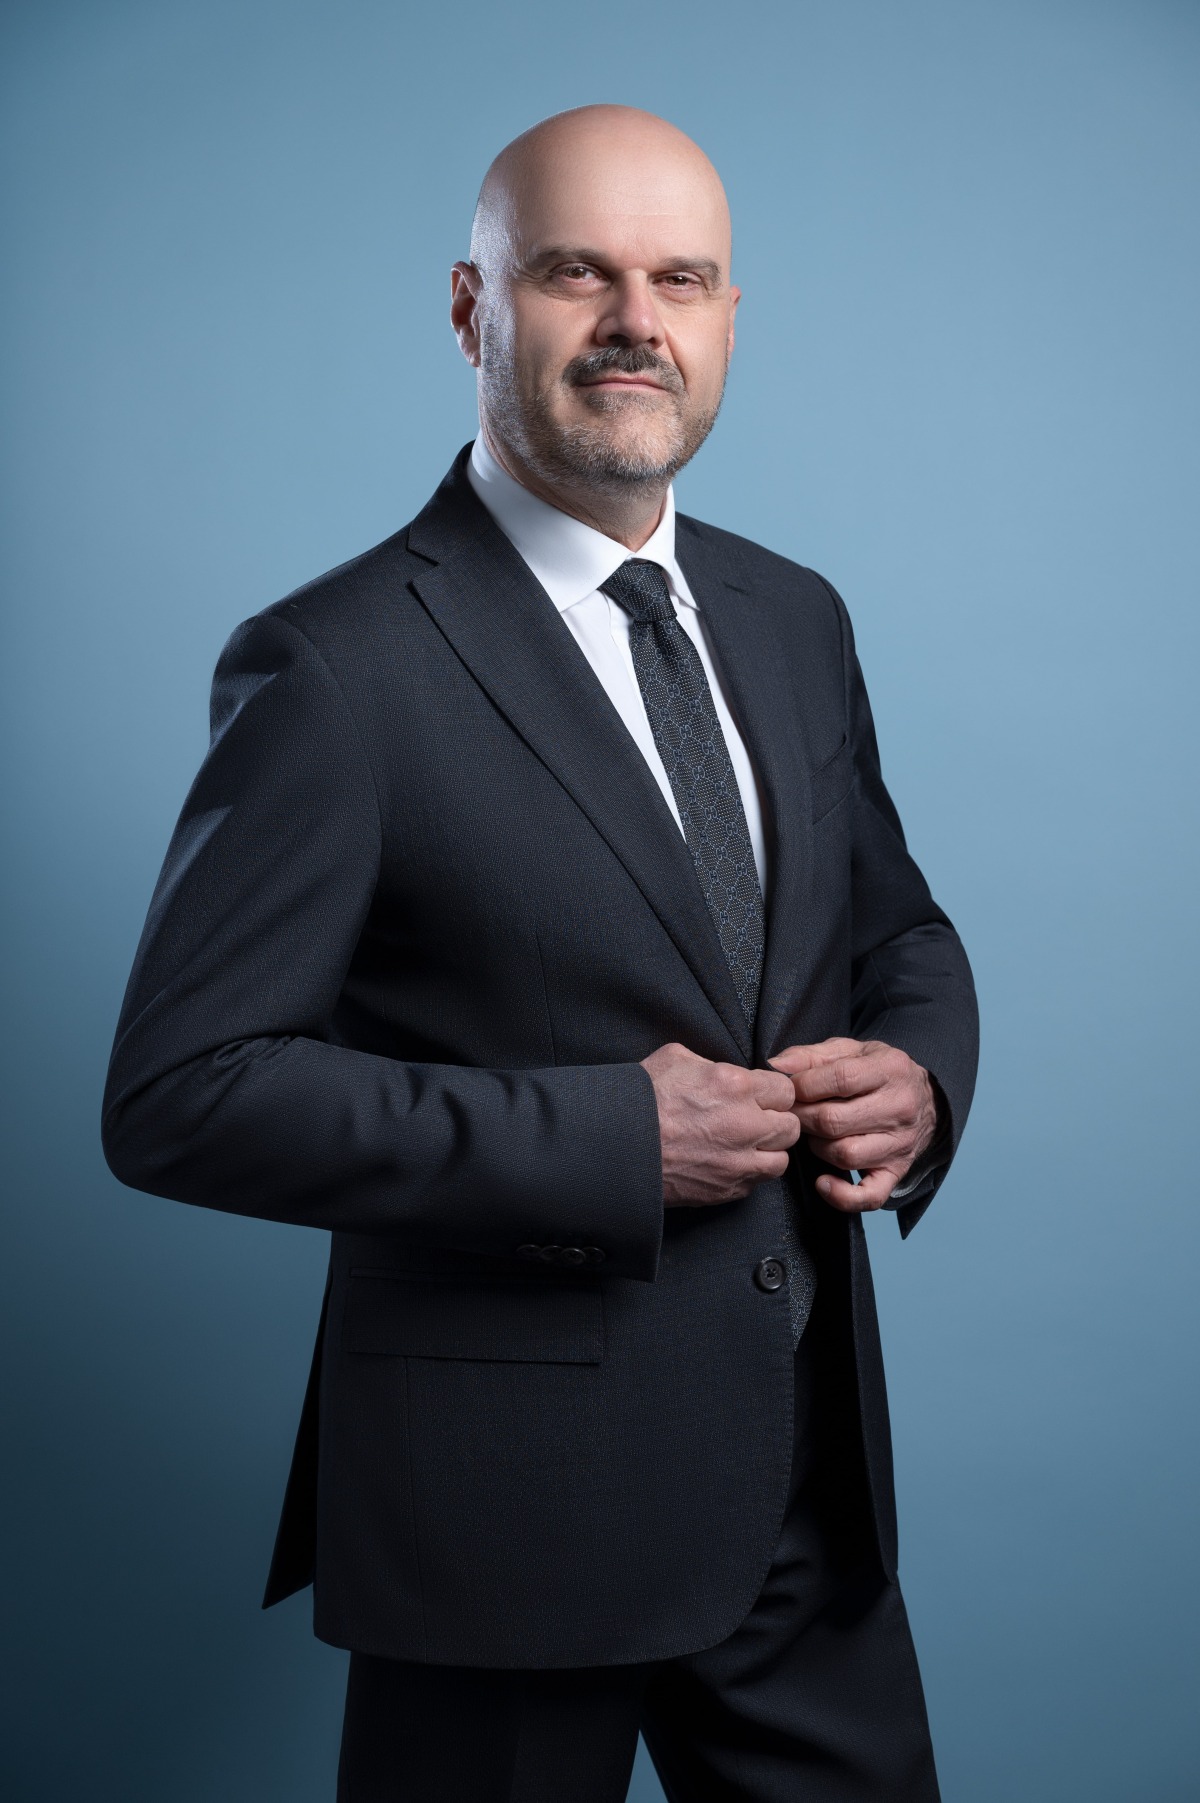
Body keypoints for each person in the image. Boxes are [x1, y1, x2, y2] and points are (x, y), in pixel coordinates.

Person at [101, 104, 978, 1802]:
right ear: (471, 308)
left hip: (804, 1497)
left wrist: (923, 1079)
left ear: (729, 319)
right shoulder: (336, 666)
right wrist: (608, 1138)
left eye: (683, 280)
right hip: (500, 1523)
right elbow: (181, 1095)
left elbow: (899, 930)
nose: (637, 321)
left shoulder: (795, 617)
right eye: (578, 272)